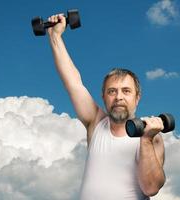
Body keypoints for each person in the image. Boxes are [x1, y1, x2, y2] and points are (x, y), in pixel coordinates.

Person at [47, 14, 165, 200]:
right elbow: (73, 82)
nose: (118, 97)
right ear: (103, 97)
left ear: (137, 98)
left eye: (126, 91)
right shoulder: (96, 123)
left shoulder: (152, 137)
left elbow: (150, 188)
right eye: (112, 91)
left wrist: (146, 140)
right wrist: (55, 36)